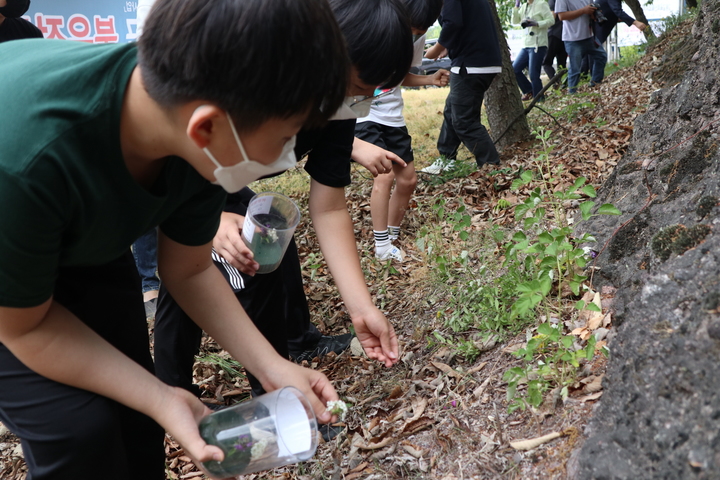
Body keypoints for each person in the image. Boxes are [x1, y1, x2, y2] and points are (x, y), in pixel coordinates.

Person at [0, 0, 350, 478]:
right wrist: (161, 396)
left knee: (135, 421)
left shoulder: (191, 136)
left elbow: (187, 268)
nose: (288, 155)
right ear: (205, 126)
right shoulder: (27, 158)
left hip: (77, 237)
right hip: (11, 246)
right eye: (288, 135)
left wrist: (272, 368)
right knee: (78, 431)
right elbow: (24, 326)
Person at [153, 0, 412, 403]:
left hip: (218, 180)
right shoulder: (243, 73)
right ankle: (177, 387)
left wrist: (361, 308)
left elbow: (328, 207)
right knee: (206, 264)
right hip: (181, 179)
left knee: (260, 254)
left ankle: (277, 375)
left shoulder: (338, 108)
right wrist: (209, 221)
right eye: (357, 89)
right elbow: (154, 166)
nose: (353, 103)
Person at [354, 0, 446, 261]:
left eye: (419, 32)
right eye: (411, 30)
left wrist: (429, 79)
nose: (413, 36)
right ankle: (381, 246)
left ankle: (391, 238)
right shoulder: (373, 26)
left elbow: (400, 75)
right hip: (363, 112)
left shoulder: (418, 36)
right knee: (384, 174)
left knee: (408, 180)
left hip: (392, 116)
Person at [419, 0, 502, 175]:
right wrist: (448, 46)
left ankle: (492, 168)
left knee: (464, 121)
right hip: (480, 60)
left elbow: (453, 22)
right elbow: (468, 23)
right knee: (452, 111)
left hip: (471, 64)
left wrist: (437, 48)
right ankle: (446, 159)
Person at [555, 0, 608, 93]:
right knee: (575, 68)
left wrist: (594, 13)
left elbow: (590, 8)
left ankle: (595, 82)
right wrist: (583, 11)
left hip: (589, 36)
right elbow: (561, 16)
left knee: (601, 56)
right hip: (572, 39)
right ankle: (572, 93)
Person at [511, 0, 554, 102]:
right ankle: (529, 90)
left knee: (534, 74)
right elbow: (514, 21)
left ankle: (539, 99)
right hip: (526, 44)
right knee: (515, 69)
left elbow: (551, 20)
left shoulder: (541, 3)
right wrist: (516, 6)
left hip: (538, 43)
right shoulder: (524, 6)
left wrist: (536, 23)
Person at [542, 0, 568, 86]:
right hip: (564, 34)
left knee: (546, 62)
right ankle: (563, 83)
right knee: (562, 62)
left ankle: (556, 81)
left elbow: (553, 16)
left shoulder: (552, 1)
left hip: (553, 34)